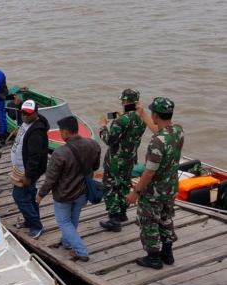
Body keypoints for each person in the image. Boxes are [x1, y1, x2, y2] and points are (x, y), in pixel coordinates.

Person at [126, 97, 184, 270]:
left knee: (149, 222)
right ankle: (167, 253)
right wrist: (142, 114)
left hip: (154, 192)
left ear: (156, 115)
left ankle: (153, 258)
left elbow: (149, 171)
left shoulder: (156, 142)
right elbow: (159, 132)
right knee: (166, 219)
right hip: (171, 188)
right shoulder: (177, 131)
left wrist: (136, 192)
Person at [36, 116, 101, 262]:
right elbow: (95, 167)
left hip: (64, 194)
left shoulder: (59, 153)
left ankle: (81, 251)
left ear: (65, 133)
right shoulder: (94, 144)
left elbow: (51, 179)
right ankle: (67, 242)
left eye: (60, 131)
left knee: (64, 222)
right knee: (73, 219)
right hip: (83, 191)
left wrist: (40, 195)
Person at [98, 89, 146, 232]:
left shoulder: (121, 121)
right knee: (124, 185)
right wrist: (122, 117)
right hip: (130, 159)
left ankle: (114, 220)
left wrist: (103, 126)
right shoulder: (141, 119)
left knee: (111, 187)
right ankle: (122, 213)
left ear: (125, 101)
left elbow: (109, 140)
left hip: (115, 161)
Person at [9, 100, 49, 239]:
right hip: (21, 168)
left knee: (19, 197)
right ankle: (31, 220)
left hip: (27, 171)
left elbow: (34, 157)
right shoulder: (26, 123)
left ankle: (36, 225)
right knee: (30, 195)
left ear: (36, 114)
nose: (25, 116)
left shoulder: (37, 132)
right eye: (23, 113)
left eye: (28, 113)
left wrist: (29, 176)